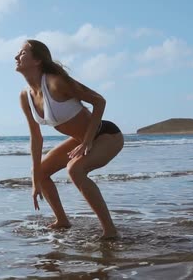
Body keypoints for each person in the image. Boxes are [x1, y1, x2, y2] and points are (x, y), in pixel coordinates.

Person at [15, 39, 124, 239]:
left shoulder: (56, 82)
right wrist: (34, 181)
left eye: (22, 53)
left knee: (75, 169)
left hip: (106, 134)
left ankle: (110, 231)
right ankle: (62, 221)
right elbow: (36, 138)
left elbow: (99, 101)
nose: (16, 57)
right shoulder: (26, 96)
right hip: (81, 139)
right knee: (39, 171)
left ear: (37, 60)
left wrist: (87, 141)